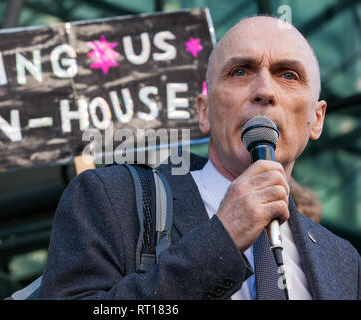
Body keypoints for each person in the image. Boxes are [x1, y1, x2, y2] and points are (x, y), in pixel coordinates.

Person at [38, 16, 360, 300]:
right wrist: (221, 240)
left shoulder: (343, 261)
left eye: (288, 75)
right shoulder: (108, 198)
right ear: (204, 112)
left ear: (317, 119)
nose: (264, 90)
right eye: (240, 71)